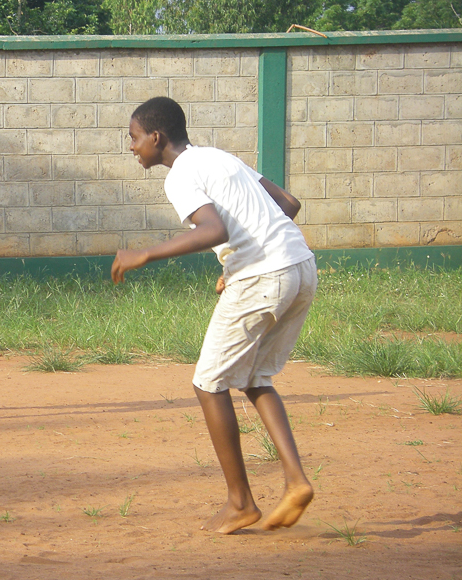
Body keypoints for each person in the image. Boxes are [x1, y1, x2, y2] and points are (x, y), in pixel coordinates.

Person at [112, 97, 317, 534]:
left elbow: (215, 230)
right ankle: (296, 482)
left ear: (156, 137)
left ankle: (240, 502)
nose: (131, 147)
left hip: (264, 276)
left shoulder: (182, 174)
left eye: (133, 138)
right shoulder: (220, 158)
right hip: (299, 266)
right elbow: (288, 203)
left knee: (209, 383)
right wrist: (237, 263)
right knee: (256, 378)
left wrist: (143, 254)